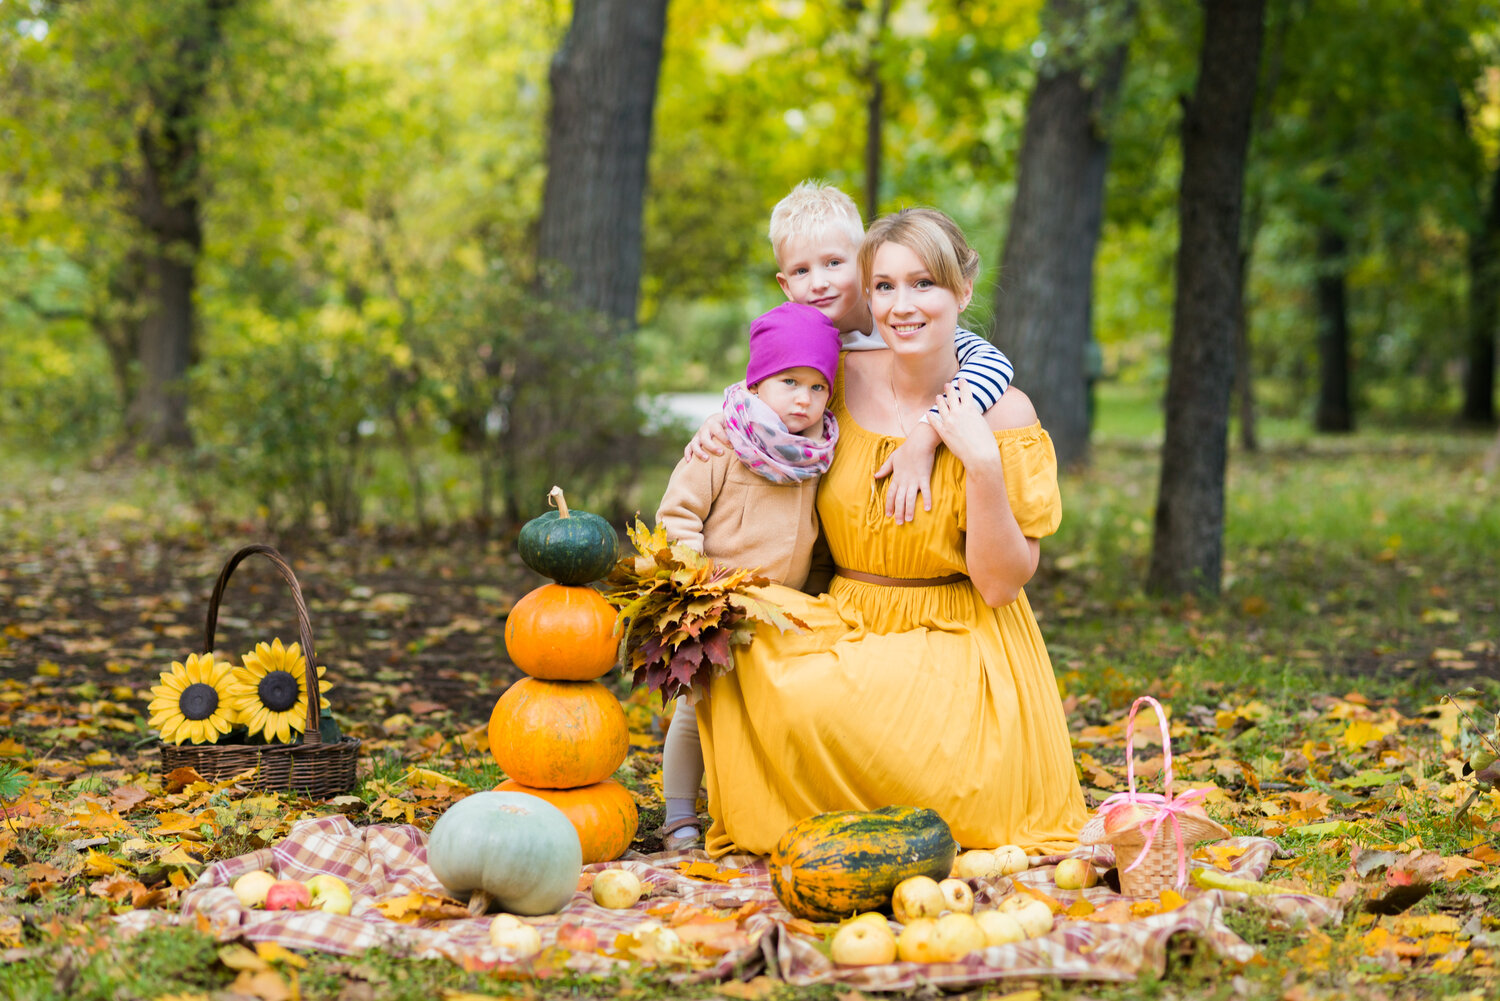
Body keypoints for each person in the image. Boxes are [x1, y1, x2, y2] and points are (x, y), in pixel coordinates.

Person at [697, 207, 1088, 857]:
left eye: (923, 284)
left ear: (962, 291)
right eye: (883, 286)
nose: (901, 305)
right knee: (737, 642)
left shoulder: (1003, 411)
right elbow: (764, 419)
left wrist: (982, 465)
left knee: (859, 719)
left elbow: (999, 584)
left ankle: (893, 819)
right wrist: (722, 429)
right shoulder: (836, 385)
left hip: (959, 635)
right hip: (849, 617)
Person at [687, 182, 1015, 525]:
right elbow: (772, 384)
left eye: (833, 263)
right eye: (802, 271)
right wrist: (729, 414)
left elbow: (992, 363)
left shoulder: (898, 315)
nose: (818, 283)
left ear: (864, 265)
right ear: (785, 286)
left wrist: (924, 437)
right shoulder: (798, 334)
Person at [654, 301, 842, 851]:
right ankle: (680, 814)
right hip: (714, 606)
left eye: (817, 387)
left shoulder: (813, 455)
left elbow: (817, 535)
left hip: (780, 609)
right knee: (697, 712)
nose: (803, 399)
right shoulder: (723, 443)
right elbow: (677, 517)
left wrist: (816, 593)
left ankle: (751, 804)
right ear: (758, 382)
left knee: (764, 713)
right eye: (789, 382)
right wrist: (699, 589)